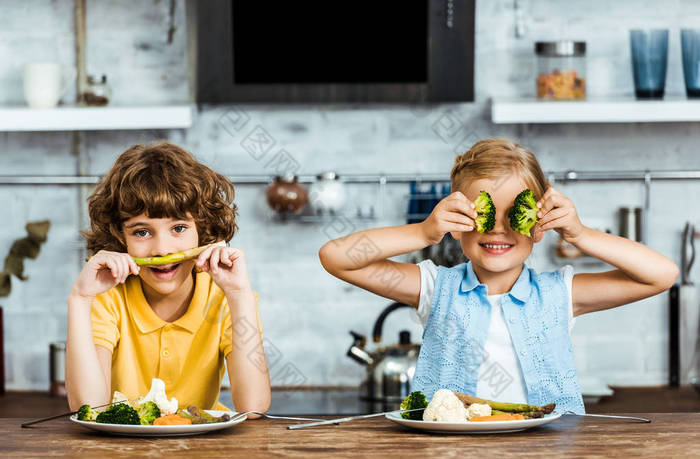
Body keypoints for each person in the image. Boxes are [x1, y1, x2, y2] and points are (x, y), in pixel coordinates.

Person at [318, 138, 678, 412]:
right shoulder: (434, 288)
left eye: (516, 214)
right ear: (458, 225)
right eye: (484, 215)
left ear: (538, 227)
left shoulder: (560, 294)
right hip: (450, 455)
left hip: (548, 454)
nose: (499, 230)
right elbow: (336, 257)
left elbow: (661, 275)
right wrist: (422, 232)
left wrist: (580, 235)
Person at [66, 141, 270, 417]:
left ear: (203, 230)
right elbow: (88, 408)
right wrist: (80, 300)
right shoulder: (108, 296)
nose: (162, 249)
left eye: (179, 228)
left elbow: (254, 407)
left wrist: (240, 295)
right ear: (120, 237)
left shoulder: (224, 296)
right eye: (141, 232)